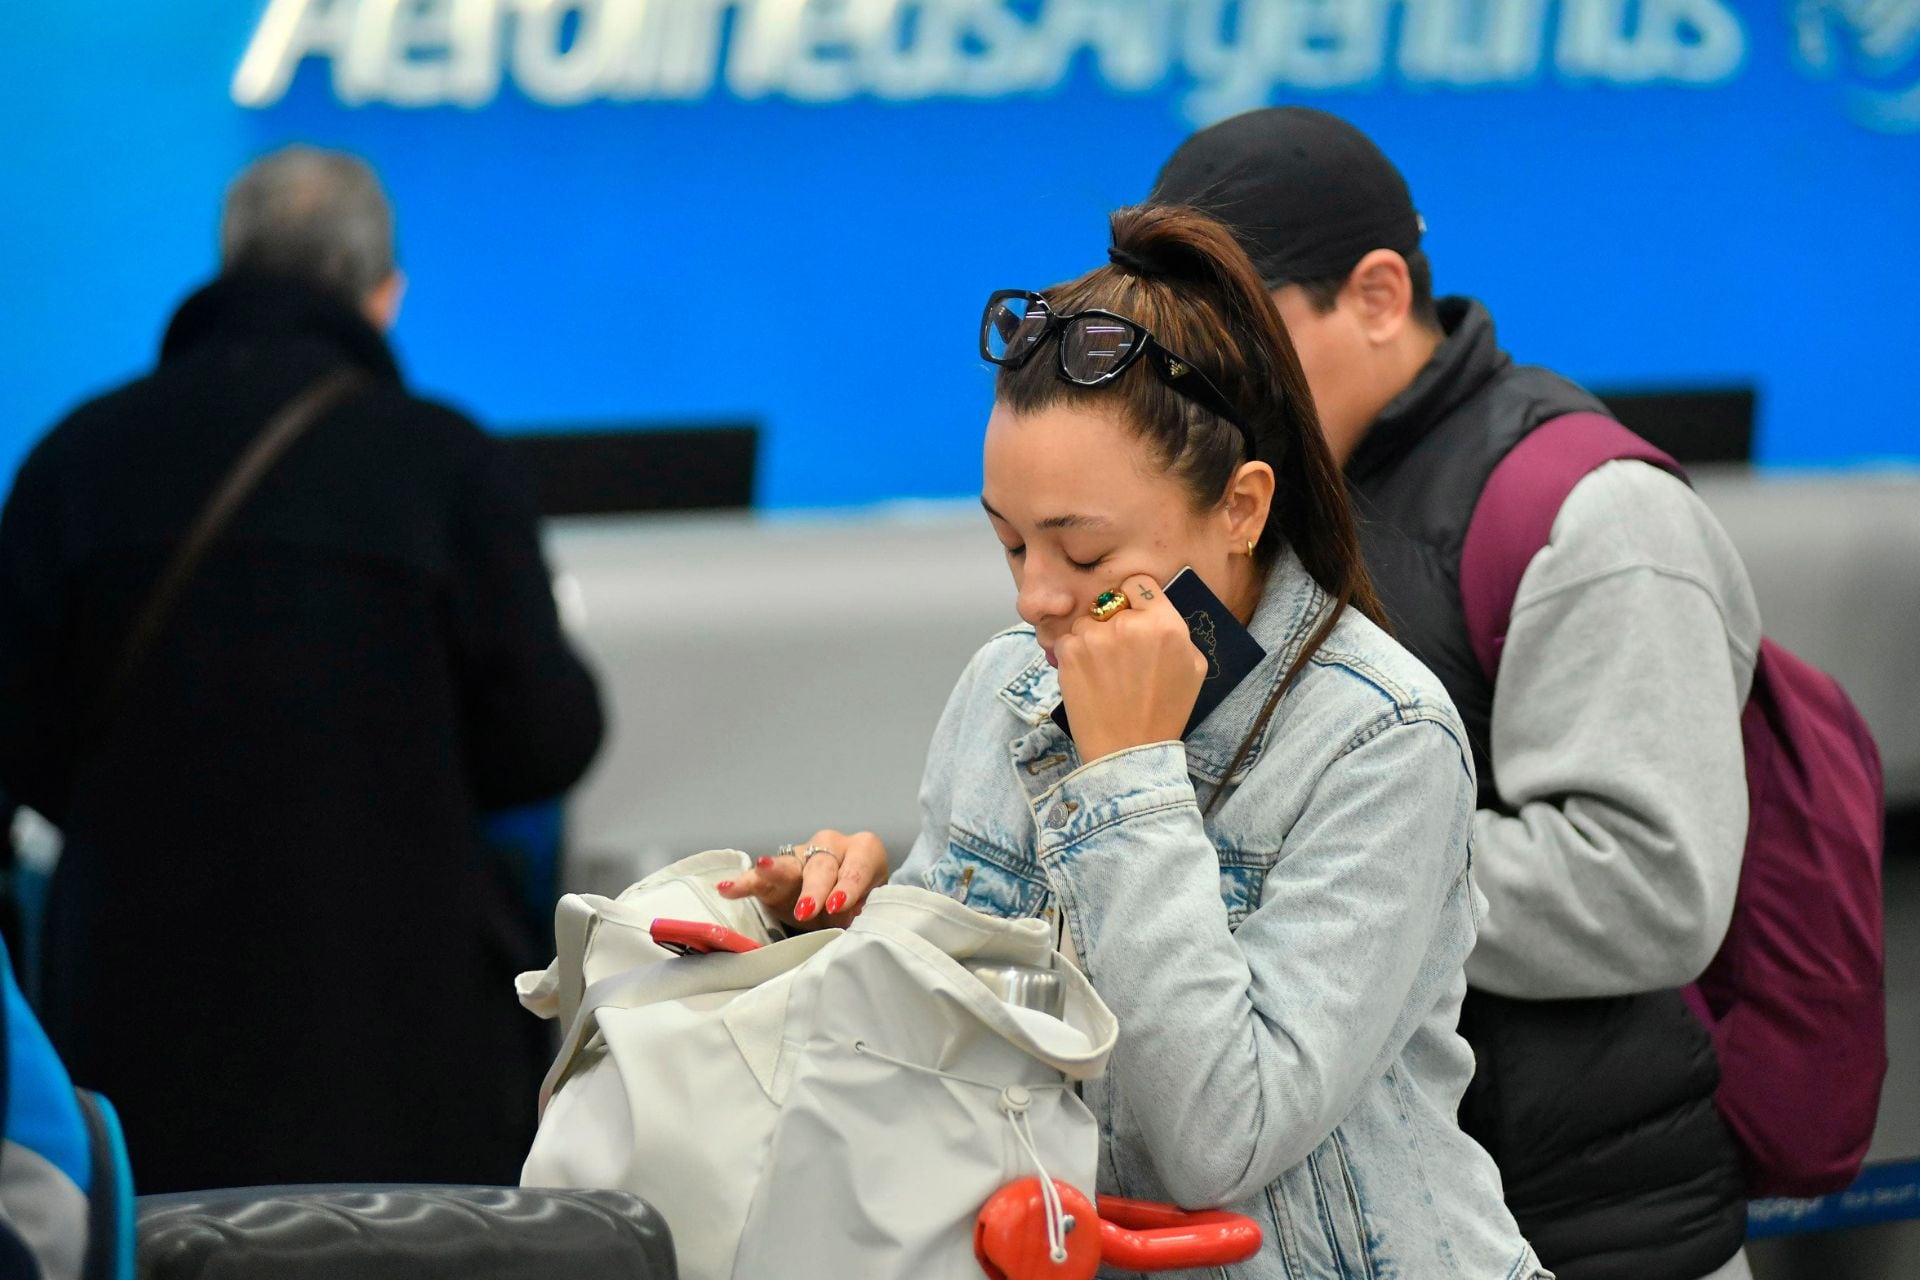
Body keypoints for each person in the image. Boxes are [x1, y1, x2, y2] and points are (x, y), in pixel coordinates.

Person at [722, 203, 1549, 1279]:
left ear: (1245, 506)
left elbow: (1215, 1142)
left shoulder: (1379, 734)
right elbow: (955, 1079)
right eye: (1010, 540)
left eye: (1084, 550)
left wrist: (1128, 776)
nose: (1036, 598)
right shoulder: (1007, 686)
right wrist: (856, 930)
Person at [1150, 107, 1761, 1280]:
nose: (1209, 384)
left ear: (1378, 296)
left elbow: (1655, 886)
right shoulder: (1256, 501)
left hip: (1590, 1229)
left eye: (1241, 340)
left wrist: (1319, 868)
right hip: (1361, 1218)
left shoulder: (1595, 516)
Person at [0, 146, 605, 1191]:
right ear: (384, 294)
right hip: (398, 1041)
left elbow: (16, 737)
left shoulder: (74, 461)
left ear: (228, 266)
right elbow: (548, 733)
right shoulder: (447, 463)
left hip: (133, 1042)